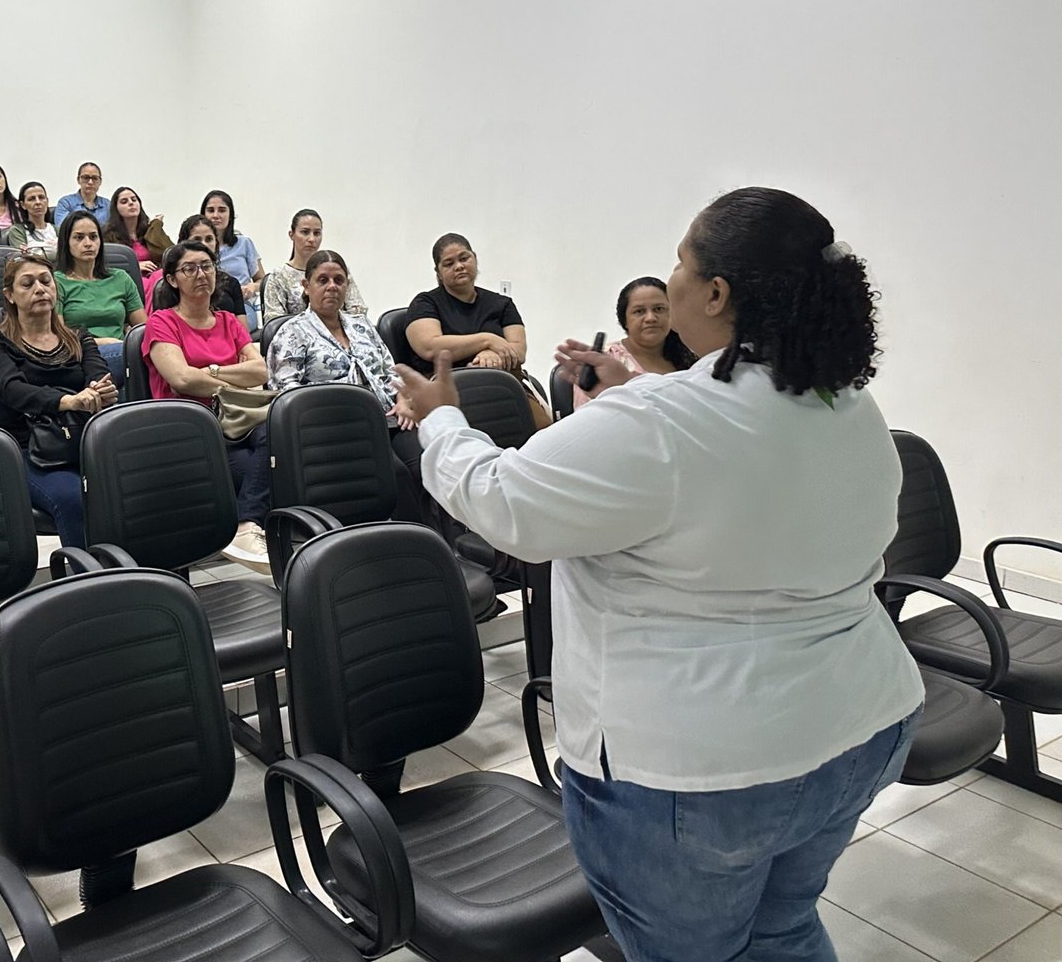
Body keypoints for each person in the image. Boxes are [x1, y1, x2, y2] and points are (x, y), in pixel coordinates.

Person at [395, 187, 923, 962]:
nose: (670, 279)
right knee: (781, 928)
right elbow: (715, 453)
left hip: (704, 775)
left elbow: (506, 503)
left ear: (716, 293)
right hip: (861, 725)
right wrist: (635, 393)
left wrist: (442, 417)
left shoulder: (658, 424)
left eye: (681, 263)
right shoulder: (845, 401)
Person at [266, 250, 425, 523]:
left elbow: (390, 370)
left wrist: (403, 399)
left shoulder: (362, 327)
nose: (332, 287)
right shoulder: (292, 332)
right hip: (338, 427)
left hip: (389, 417)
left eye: (339, 280)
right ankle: (413, 540)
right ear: (306, 286)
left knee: (427, 463)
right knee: (397, 475)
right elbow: (287, 393)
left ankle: (445, 538)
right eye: (323, 280)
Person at [144, 239, 271, 566]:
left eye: (207, 266)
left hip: (238, 421)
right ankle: (249, 526)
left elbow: (260, 370)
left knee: (279, 433)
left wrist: (210, 371)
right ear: (172, 279)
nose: (201, 274)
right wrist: (233, 379)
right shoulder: (162, 322)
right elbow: (182, 379)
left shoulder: (228, 321)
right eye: (189, 269)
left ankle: (248, 527)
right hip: (191, 426)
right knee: (261, 467)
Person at [0, 256, 117, 548]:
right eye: (27, 284)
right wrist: (69, 401)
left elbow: (98, 373)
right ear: (9, 295)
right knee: (74, 498)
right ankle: (91, 573)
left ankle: (137, 567)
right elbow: (13, 390)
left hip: (81, 439)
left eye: (45, 281)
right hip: (26, 448)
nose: (39, 289)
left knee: (134, 482)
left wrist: (99, 391)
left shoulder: (78, 336)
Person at [405, 233, 527, 377]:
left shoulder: (502, 303)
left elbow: (519, 350)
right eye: (449, 264)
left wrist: (491, 354)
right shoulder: (424, 303)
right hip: (445, 384)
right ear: (438, 272)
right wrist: (487, 340)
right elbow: (430, 348)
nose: (459, 266)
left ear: (475, 258)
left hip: (501, 381)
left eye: (464, 258)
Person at [572, 275, 699, 410]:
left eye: (659, 309)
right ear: (625, 320)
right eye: (639, 311)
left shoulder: (690, 357)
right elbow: (587, 416)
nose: (651, 318)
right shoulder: (604, 362)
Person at [55, 209, 146, 387]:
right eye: (79, 238)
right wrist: (104, 342)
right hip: (81, 353)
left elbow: (143, 329)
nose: (88, 243)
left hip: (122, 351)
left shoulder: (120, 278)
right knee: (131, 356)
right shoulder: (56, 282)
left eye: (93, 237)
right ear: (66, 243)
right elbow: (59, 336)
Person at [261, 208, 368, 324]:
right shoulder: (279, 277)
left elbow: (358, 311)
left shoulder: (336, 270)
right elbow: (274, 323)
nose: (311, 239)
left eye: (317, 233)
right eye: (305, 232)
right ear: (292, 235)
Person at [149, 216, 246, 318]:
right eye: (197, 239)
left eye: (209, 239)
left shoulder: (231, 284)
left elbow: (242, 326)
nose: (204, 244)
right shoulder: (163, 316)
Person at [200, 189, 265, 331]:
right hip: (204, 304)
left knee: (232, 328)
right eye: (210, 210)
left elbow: (262, 280)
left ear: (230, 215)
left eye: (222, 210)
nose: (216, 215)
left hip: (241, 305)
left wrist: (252, 287)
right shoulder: (195, 248)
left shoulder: (244, 243)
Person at [101, 185, 165, 297]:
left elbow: (169, 254)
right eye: (124, 201)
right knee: (145, 283)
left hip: (154, 279)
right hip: (126, 281)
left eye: (134, 200)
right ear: (116, 208)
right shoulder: (107, 235)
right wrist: (134, 267)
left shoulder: (149, 231)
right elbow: (105, 266)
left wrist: (156, 226)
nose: (131, 203)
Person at [8, 182, 59, 256]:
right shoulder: (17, 231)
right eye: (31, 199)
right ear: (23, 205)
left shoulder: (58, 230)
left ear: (47, 201)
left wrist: (33, 253)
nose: (38, 202)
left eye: (41, 197)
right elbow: (24, 259)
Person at [51, 160, 108, 226]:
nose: (90, 182)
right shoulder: (66, 203)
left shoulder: (108, 205)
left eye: (95, 178)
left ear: (100, 181)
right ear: (78, 180)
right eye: (86, 178)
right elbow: (63, 229)